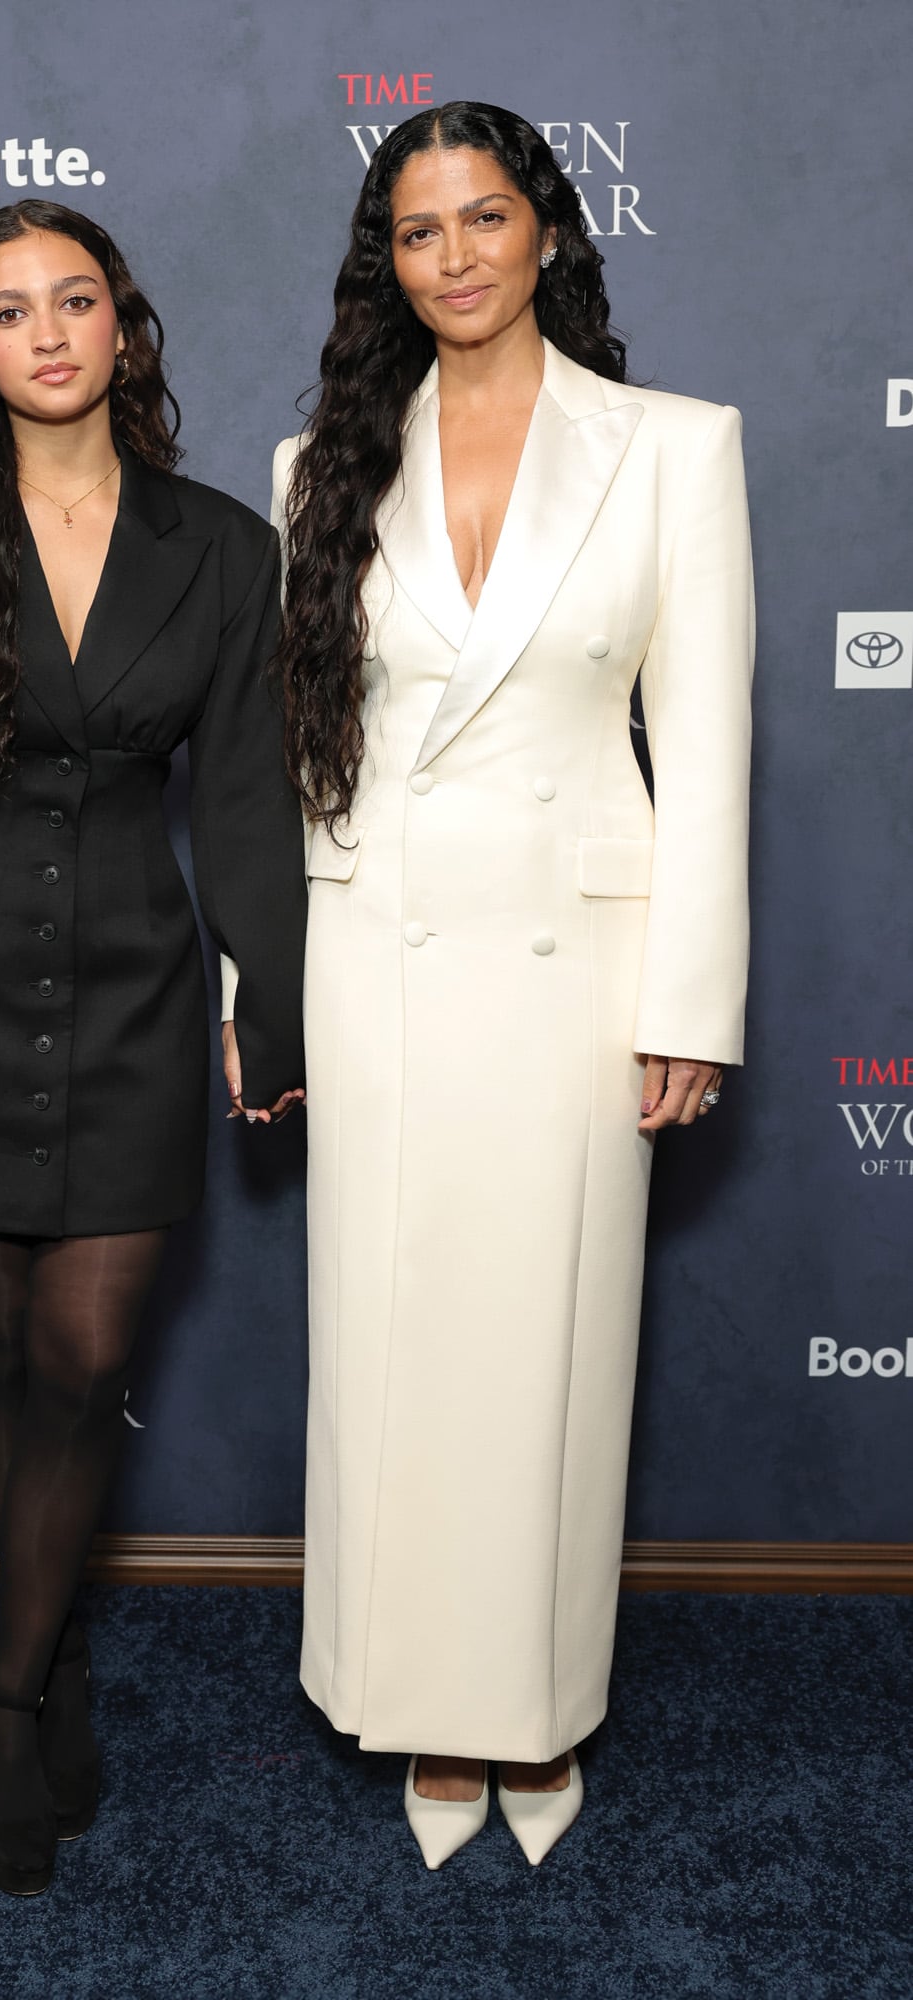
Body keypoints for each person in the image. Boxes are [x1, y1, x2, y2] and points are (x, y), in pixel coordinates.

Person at [271, 102, 753, 1868]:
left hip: (575, 960)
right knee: (393, 1348)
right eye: (418, 229)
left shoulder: (669, 448)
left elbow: (705, 744)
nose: (457, 255)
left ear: (546, 229)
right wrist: (282, 965)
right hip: (382, 949)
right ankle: (412, 1699)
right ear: (383, 261)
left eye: (486, 217)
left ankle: (532, 1708)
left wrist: (687, 1003)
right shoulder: (318, 461)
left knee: (548, 1347)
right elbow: (306, 753)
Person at [0, 200, 306, 1897]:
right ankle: (53, 1645)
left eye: (73, 299)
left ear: (122, 327)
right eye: (8, 310)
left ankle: (5, 1688)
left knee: (86, 1360)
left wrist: (273, 1002)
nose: (46, 332)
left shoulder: (226, 548)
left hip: (138, 1000)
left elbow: (243, 799)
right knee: (7, 1356)